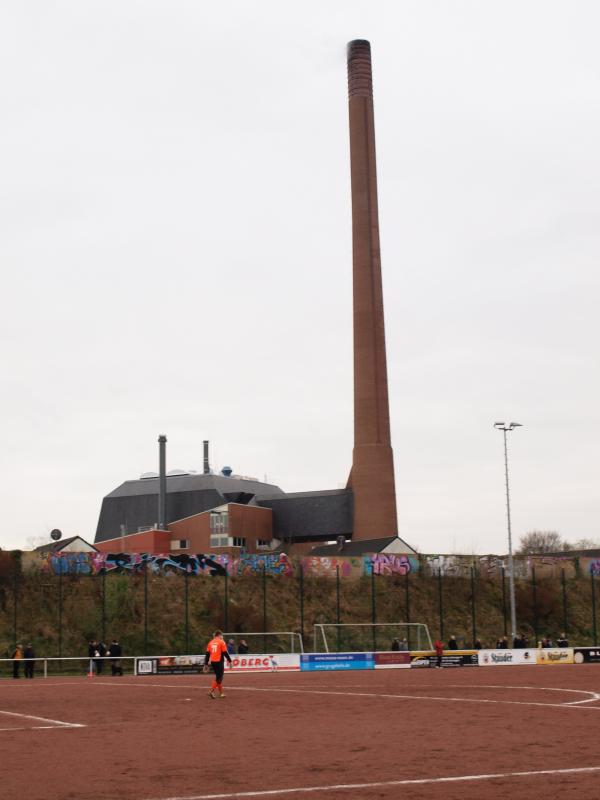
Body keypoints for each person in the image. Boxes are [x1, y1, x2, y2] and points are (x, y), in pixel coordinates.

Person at [204, 630, 232, 699]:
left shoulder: (210, 643)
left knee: (218, 677)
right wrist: (230, 661)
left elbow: (207, 654)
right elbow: (225, 653)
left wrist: (206, 664)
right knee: (219, 677)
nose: (222, 637)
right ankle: (211, 691)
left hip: (213, 662)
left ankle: (221, 693)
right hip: (219, 662)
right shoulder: (221, 642)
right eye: (222, 635)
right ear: (219, 635)